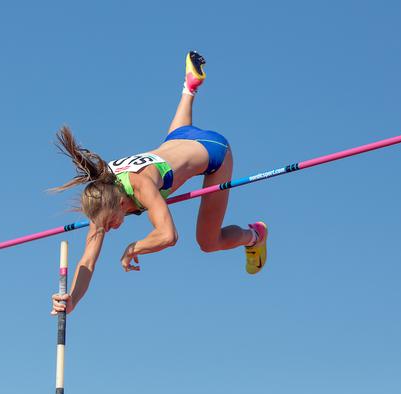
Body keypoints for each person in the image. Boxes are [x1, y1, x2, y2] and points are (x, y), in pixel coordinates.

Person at [51, 51, 268, 315]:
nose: (111, 228)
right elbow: (87, 261)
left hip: (216, 153)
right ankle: (189, 88)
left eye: (111, 223)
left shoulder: (141, 186)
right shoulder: (101, 194)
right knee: (171, 148)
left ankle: (255, 235)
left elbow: (169, 235)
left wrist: (134, 247)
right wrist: (72, 299)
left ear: (122, 201)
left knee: (208, 241)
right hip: (181, 136)